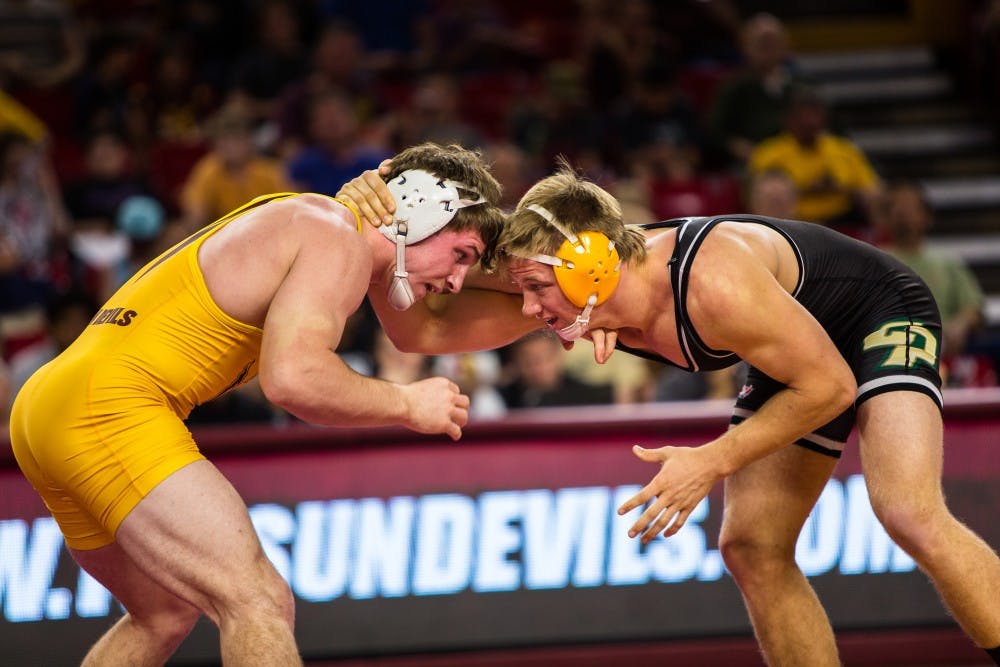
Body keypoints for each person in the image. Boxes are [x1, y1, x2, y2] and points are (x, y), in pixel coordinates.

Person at [338, 164, 1000, 666]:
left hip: (873, 311)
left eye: (537, 291)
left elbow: (826, 387)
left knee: (908, 510)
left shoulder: (711, 282)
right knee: (752, 548)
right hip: (788, 343)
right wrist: (381, 237)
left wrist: (707, 462)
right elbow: (418, 332)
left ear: (591, 264)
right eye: (527, 291)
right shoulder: (569, 278)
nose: (531, 311)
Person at [8, 142, 537, 666]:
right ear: (421, 212)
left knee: (162, 615)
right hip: (108, 408)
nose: (456, 280)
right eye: (461, 256)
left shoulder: (319, 225)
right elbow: (294, 379)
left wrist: (553, 309)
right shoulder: (336, 236)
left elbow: (426, 331)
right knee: (256, 600)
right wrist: (404, 402)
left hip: (50, 405)